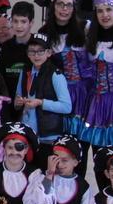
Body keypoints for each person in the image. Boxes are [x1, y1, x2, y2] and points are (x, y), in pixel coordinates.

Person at [79, 0, 113, 184]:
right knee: (100, 159)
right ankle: (104, 203)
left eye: (109, 10)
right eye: (100, 11)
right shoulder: (92, 40)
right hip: (97, 104)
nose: (104, 15)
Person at [40, 0, 91, 172]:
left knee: (79, 146)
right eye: (60, 4)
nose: (64, 9)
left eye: (68, 5)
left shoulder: (85, 28)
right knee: (59, 146)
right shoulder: (44, 32)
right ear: (53, 6)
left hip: (82, 95)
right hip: (58, 95)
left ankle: (77, 186)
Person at [15, 33, 72, 169]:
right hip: (27, 134)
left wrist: (41, 103)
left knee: (44, 174)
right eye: (32, 52)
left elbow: (66, 107)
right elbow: (17, 98)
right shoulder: (25, 71)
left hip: (47, 137)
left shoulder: (56, 74)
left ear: (49, 53)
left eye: (40, 51)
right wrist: (17, 103)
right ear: (28, 54)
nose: (36, 56)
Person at [0, 2, 36, 95]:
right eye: (15, 21)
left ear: (31, 23)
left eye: (23, 21)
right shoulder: (6, 46)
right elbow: (1, 76)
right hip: (10, 100)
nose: (19, 26)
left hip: (32, 100)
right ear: (11, 22)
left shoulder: (38, 45)